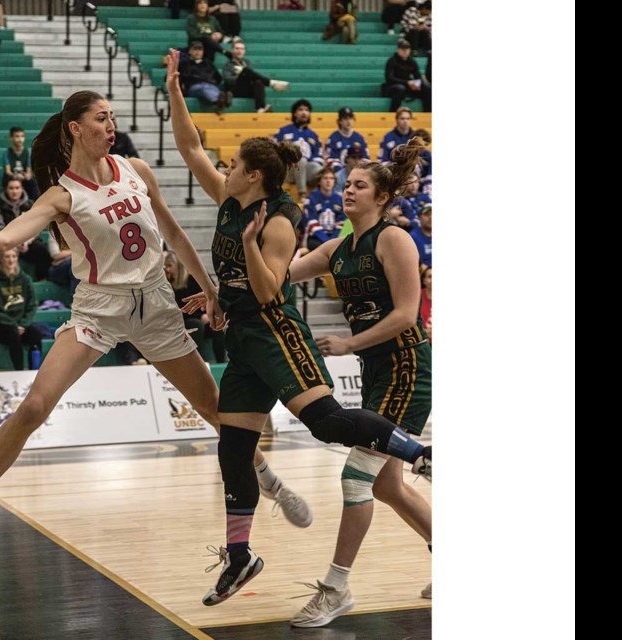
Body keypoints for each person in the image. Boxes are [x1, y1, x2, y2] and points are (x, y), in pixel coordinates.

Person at [0, 91, 311, 536]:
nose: (110, 125)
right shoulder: (62, 196)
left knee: (214, 407)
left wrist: (209, 289)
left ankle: (271, 482)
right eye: (101, 119)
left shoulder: (135, 169)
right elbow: (4, 241)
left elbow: (175, 235)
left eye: (112, 117)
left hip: (156, 302)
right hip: (99, 307)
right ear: (76, 129)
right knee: (35, 406)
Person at [166, 50, 432, 607]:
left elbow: (270, 290)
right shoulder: (234, 200)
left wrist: (244, 254)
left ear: (253, 174)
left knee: (330, 426)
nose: (224, 166)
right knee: (233, 447)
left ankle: (420, 456)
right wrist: (173, 87)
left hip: (275, 331)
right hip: (242, 335)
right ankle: (240, 557)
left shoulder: (280, 221)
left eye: (233, 163)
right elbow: (190, 146)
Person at [286, 138, 433, 627]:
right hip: (378, 371)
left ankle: (336, 587)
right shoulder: (336, 247)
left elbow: (407, 315)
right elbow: (281, 276)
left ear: (382, 197)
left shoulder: (393, 240)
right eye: (347, 184)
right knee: (388, 485)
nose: (348, 191)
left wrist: (349, 343)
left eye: (359, 185)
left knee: (356, 477)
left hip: (407, 366)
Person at [164, 249, 226, 363]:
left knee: (218, 323)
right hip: (185, 320)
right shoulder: (168, 284)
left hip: (203, 315)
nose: (167, 270)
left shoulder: (195, 278)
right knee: (196, 325)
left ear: (178, 266)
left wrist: (208, 314)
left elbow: (214, 295)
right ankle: (199, 361)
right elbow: (176, 310)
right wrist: (200, 317)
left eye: (169, 266)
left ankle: (221, 361)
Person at [0, 248, 43, 370]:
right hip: (2, 328)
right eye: (7, 256)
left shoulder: (25, 279)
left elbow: (32, 305)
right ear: (1, 259)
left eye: (13, 256)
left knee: (35, 334)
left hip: (22, 326)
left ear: (17, 258)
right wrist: (14, 325)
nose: (10, 260)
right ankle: (19, 371)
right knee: (13, 333)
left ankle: (35, 371)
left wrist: (23, 324)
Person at [274, 99, 325, 200]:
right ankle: (302, 194)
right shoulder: (283, 131)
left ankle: (323, 199)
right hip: (288, 169)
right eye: (300, 110)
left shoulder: (314, 136)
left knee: (323, 172)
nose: (304, 112)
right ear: (294, 113)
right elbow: (274, 151)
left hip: (306, 169)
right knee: (300, 159)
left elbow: (319, 157)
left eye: (307, 110)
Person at [221, 40, 289, 114]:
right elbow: (228, 80)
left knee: (258, 82)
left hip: (247, 89)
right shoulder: (228, 65)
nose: (239, 51)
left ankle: (260, 109)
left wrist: (246, 76)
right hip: (235, 90)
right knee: (246, 70)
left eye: (242, 49)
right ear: (232, 50)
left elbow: (251, 77)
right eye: (237, 48)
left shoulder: (247, 62)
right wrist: (241, 76)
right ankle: (271, 83)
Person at [325, 107, 369, 189]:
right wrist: (344, 171)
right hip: (341, 173)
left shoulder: (359, 138)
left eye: (350, 118)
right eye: (345, 118)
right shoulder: (333, 138)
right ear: (339, 121)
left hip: (358, 172)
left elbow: (366, 158)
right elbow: (330, 159)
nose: (348, 121)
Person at [381, 40, 430, 113]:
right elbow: (389, 78)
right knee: (400, 88)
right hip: (391, 86)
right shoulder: (392, 61)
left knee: (427, 89)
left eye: (407, 49)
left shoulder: (412, 61)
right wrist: (407, 82)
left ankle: (428, 114)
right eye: (402, 49)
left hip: (407, 85)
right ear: (398, 50)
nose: (405, 51)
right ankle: (393, 113)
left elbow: (417, 76)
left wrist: (417, 84)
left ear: (410, 50)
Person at [303, 167, 346, 251]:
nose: (328, 181)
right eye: (325, 178)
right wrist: (326, 240)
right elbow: (310, 221)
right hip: (315, 238)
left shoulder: (339, 199)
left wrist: (333, 239)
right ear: (319, 181)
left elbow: (342, 221)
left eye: (331, 178)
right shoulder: (312, 198)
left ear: (334, 181)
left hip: (334, 238)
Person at [179, 40, 227, 113]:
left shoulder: (208, 63)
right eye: (195, 49)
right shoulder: (184, 64)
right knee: (203, 88)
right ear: (190, 51)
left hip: (210, 85)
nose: (198, 52)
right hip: (194, 87)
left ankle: (219, 101)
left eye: (200, 49)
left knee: (210, 88)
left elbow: (218, 78)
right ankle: (219, 100)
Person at [1, 126, 42, 197]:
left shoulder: (28, 152)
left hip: (23, 176)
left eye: (22, 136)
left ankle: (31, 202)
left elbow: (29, 170)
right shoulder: (7, 152)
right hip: (12, 176)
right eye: (17, 136)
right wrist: (16, 176)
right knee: (6, 178)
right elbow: (8, 171)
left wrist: (27, 175)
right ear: (11, 138)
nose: (20, 139)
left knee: (32, 181)